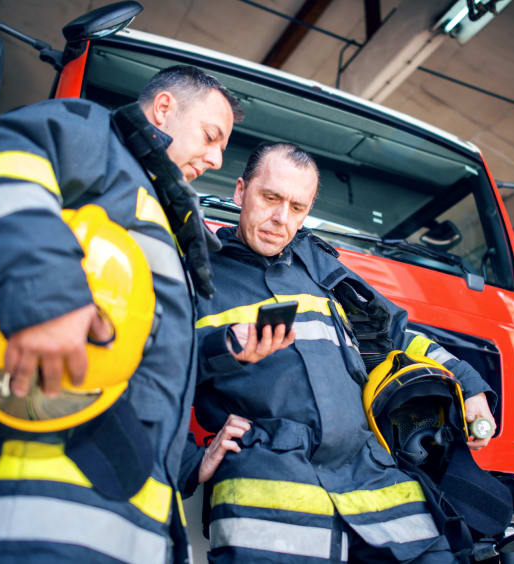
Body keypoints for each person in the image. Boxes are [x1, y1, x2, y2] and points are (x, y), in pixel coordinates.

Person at [0, 65, 242, 563]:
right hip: (26, 513)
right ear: (163, 109)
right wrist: (44, 292)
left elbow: (144, 372)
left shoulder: (165, 221)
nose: (216, 157)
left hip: (125, 525)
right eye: (210, 135)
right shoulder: (96, 136)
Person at [186, 142, 497, 563]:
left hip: (375, 486)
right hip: (271, 506)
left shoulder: (323, 269)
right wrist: (191, 459)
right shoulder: (196, 275)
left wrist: (468, 383)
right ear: (241, 192)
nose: (281, 219)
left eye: (297, 207)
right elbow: (151, 372)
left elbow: (396, 339)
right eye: (270, 198)